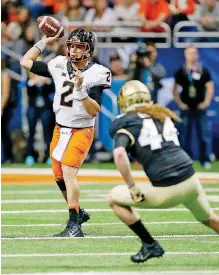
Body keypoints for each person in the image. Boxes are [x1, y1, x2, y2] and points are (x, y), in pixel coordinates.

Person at [108, 80, 219, 263]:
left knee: (113, 198)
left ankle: (150, 245)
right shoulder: (161, 114)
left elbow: (119, 153)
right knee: (210, 219)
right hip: (191, 179)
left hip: (169, 187)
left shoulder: (125, 122)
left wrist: (132, 186)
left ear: (124, 102)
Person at [20, 28, 112, 237]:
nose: (74, 50)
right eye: (72, 45)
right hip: (60, 128)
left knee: (69, 172)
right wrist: (43, 41)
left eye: (80, 47)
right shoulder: (58, 63)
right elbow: (25, 62)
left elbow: (94, 110)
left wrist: (80, 90)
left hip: (82, 128)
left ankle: (74, 224)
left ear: (89, 50)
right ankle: (77, 212)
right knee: (59, 175)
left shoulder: (98, 72)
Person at [173, 45, 214, 169]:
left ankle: (204, 159)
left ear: (198, 55)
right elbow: (174, 89)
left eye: (194, 53)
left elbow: (210, 87)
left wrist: (206, 102)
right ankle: (185, 160)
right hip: (186, 108)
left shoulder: (203, 70)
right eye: (190, 53)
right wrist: (180, 104)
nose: (192, 55)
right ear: (185, 55)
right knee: (184, 135)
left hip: (200, 108)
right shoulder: (181, 71)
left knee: (203, 134)